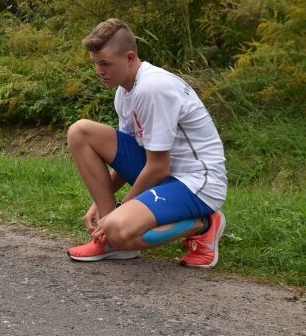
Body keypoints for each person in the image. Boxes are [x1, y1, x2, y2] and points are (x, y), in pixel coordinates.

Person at [66, 18, 228, 268]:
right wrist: (100, 205)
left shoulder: (153, 88)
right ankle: (110, 240)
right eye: (96, 64)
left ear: (130, 57)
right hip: (165, 173)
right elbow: (125, 157)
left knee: (120, 230)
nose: (99, 71)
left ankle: (205, 224)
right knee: (80, 132)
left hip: (196, 182)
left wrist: (121, 210)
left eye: (105, 63)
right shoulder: (124, 91)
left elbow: (158, 168)